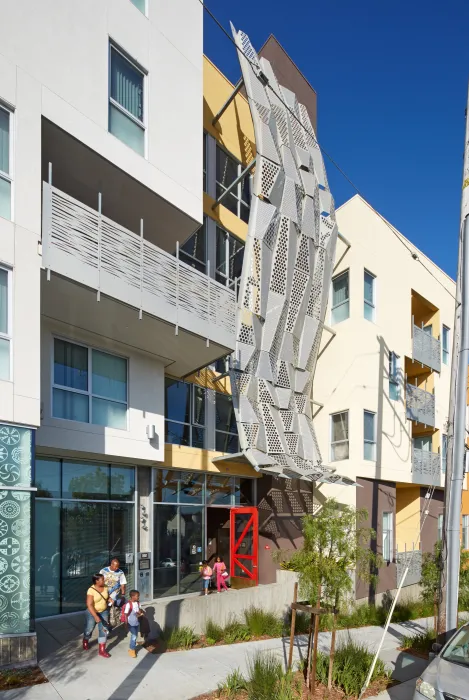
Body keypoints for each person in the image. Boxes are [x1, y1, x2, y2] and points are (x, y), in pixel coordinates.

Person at [83, 573, 112, 658]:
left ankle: (102, 650)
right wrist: (95, 616)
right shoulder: (91, 590)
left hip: (104, 611)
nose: (104, 580)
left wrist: (110, 599)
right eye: (102, 579)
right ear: (96, 581)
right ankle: (85, 640)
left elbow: (106, 597)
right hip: (92, 612)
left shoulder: (106, 587)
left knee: (104, 630)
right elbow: (89, 604)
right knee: (89, 628)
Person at [100, 558, 127, 626]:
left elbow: (122, 584)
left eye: (118, 566)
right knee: (105, 612)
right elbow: (98, 582)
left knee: (113, 612)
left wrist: (123, 595)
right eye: (115, 566)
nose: (117, 568)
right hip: (104, 595)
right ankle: (106, 626)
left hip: (114, 596)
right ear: (111, 564)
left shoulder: (120, 572)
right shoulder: (103, 571)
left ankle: (110, 625)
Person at [122, 589, 144, 658]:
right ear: (132, 596)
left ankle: (131, 648)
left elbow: (139, 610)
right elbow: (125, 614)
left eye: (138, 596)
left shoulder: (138, 603)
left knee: (135, 636)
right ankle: (132, 650)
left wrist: (140, 612)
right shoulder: (128, 605)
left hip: (136, 622)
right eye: (137, 596)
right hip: (130, 623)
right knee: (134, 636)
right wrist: (125, 624)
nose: (138, 597)